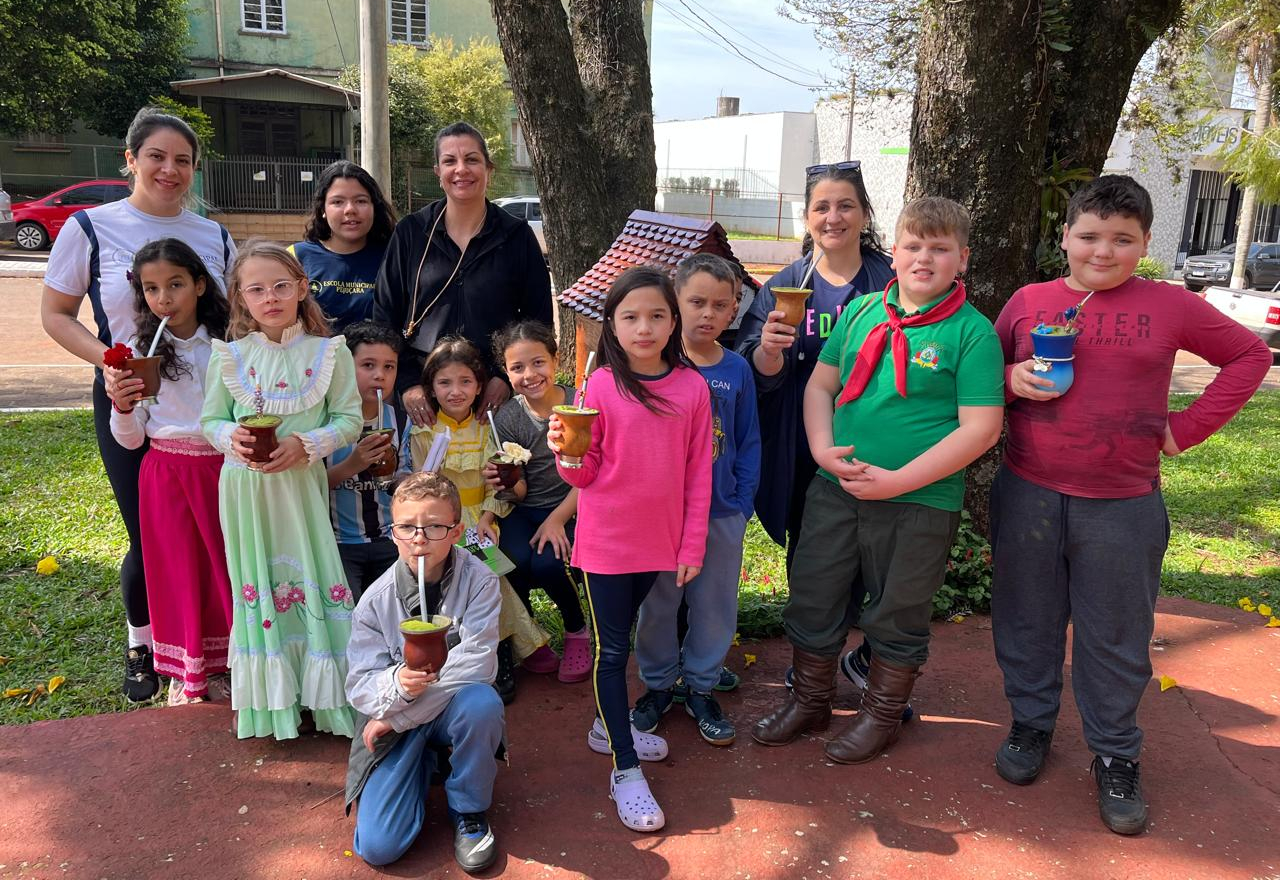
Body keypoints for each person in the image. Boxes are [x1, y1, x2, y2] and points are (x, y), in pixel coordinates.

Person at [989, 175, 1271, 835]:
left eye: (1122, 239)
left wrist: (1185, 429)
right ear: (1065, 237)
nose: (1103, 251)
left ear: (1145, 243)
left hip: (1123, 504)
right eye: (1089, 236)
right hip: (1029, 492)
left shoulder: (1169, 304)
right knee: (1026, 620)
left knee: (1115, 635)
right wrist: (1009, 378)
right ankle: (1031, 724)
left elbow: (1249, 355)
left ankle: (1116, 753)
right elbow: (977, 381)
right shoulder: (1029, 302)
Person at [752, 197, 1005, 766]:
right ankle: (811, 700)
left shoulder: (972, 333)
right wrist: (822, 449)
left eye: (939, 249)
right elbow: (821, 386)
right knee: (814, 591)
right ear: (894, 253)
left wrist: (898, 482)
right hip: (835, 488)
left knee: (899, 608)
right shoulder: (862, 312)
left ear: (962, 259)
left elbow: (981, 428)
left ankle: (881, 715)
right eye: (913, 246)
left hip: (919, 500)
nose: (924, 258)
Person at [41, 106, 235, 701]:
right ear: (130, 159)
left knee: (216, 533)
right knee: (148, 533)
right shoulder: (91, 227)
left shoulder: (212, 235)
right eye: (156, 156)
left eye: (182, 160)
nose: (169, 170)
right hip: (127, 396)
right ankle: (142, 645)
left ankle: (216, 647)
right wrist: (112, 363)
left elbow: (231, 319)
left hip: (205, 406)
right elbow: (56, 315)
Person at [548, 266, 713, 832]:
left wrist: (691, 545)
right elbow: (583, 474)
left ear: (674, 321)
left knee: (626, 642)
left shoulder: (692, 388)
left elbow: (699, 474)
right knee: (614, 651)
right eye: (631, 317)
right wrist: (566, 452)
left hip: (660, 542)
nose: (644, 328)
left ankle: (607, 724)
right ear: (612, 326)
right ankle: (624, 767)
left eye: (657, 315)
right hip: (605, 542)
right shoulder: (598, 385)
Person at [736, 161, 895, 697]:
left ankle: (869, 657)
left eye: (846, 205)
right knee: (812, 559)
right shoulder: (785, 286)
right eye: (822, 207)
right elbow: (753, 371)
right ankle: (815, 661)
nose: (834, 217)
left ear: (864, 213)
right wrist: (767, 353)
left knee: (883, 559)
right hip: (802, 448)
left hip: (879, 443)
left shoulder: (893, 283)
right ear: (806, 218)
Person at [200, 240, 363, 740]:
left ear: (301, 288)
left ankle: (326, 698)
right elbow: (210, 420)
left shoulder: (329, 353)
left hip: (299, 486)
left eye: (280, 286)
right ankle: (272, 702)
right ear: (239, 297)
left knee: (312, 569)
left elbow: (349, 419)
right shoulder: (229, 357)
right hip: (246, 490)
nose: (269, 297)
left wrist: (306, 444)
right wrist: (232, 437)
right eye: (256, 289)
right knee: (258, 578)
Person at [344, 472, 504, 874]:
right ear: (392, 533)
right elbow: (360, 686)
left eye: (434, 527)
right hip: (394, 715)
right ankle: (422, 763)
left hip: (428, 714)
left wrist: (401, 718)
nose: (419, 539)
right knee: (379, 846)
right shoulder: (375, 602)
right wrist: (395, 684)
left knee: (482, 702)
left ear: (457, 531)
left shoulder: (481, 581)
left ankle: (468, 808)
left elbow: (479, 661)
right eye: (407, 527)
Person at [632, 254, 760, 747]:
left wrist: (742, 504)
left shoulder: (737, 370)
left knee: (714, 604)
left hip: (721, 512)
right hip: (661, 517)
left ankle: (702, 687)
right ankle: (659, 686)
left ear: (734, 310)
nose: (708, 314)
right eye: (697, 302)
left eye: (721, 305)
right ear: (675, 303)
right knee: (658, 604)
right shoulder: (655, 366)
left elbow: (748, 440)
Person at [105, 239, 233, 705]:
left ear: (199, 284)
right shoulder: (139, 353)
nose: (164, 299)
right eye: (152, 288)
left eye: (175, 284)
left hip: (224, 470)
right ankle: (188, 671)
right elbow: (130, 439)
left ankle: (231, 664)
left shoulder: (230, 342)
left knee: (226, 568)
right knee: (179, 572)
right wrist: (122, 406)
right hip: (167, 474)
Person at [400, 336, 550, 704]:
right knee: (447, 581)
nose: (455, 392)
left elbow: (497, 483)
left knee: (490, 577)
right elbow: (418, 486)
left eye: (465, 382)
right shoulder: (422, 431)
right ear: (431, 388)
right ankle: (451, 654)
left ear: (479, 386)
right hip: (437, 523)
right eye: (445, 383)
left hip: (479, 520)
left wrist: (486, 518)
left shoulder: (487, 428)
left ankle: (500, 651)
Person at [374, 121, 552, 427]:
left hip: (491, 397)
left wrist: (504, 377)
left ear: (489, 169)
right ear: (438, 172)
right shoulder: (411, 233)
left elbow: (537, 322)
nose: (461, 169)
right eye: (449, 161)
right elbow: (384, 316)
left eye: (471, 159)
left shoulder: (516, 236)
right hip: (422, 395)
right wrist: (406, 383)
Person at [487, 321, 589, 683]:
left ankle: (577, 630)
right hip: (526, 509)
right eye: (517, 367)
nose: (529, 375)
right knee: (507, 560)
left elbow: (593, 475)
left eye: (538, 363)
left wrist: (558, 519)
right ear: (506, 371)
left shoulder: (580, 406)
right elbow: (521, 492)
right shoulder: (508, 417)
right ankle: (529, 640)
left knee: (547, 564)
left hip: (574, 506)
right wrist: (505, 481)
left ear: (556, 360)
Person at [325, 320, 403, 602]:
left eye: (389, 367)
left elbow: (404, 477)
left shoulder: (399, 419)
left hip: (390, 539)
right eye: (368, 365)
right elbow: (309, 485)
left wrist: (404, 478)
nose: (380, 375)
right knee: (349, 612)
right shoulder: (325, 423)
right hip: (338, 544)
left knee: (397, 609)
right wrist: (353, 464)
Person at [290, 161, 396, 335]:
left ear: (374, 207)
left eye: (360, 201)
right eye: (337, 202)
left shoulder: (394, 257)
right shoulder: (295, 257)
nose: (350, 210)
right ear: (323, 209)